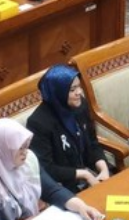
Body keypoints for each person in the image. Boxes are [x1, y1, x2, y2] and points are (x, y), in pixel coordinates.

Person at [0, 118, 103, 220]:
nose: (25, 152)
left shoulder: (25, 159)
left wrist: (81, 206)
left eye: (26, 146)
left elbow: (52, 190)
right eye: (20, 148)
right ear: (4, 148)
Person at [27, 64, 110, 193]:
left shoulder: (80, 105)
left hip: (92, 173)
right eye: (72, 90)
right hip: (65, 186)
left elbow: (93, 142)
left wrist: (103, 168)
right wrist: (84, 174)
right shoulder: (38, 123)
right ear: (58, 92)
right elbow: (47, 168)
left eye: (79, 86)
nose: (79, 92)